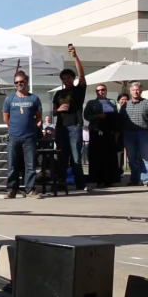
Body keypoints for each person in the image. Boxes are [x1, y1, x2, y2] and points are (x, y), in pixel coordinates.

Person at [52, 45, 89, 191]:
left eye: (68, 78)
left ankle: (81, 184)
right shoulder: (58, 94)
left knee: (76, 158)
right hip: (61, 127)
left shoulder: (78, 90)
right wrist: (58, 109)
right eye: (64, 78)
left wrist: (75, 56)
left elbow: (82, 76)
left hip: (74, 126)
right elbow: (54, 112)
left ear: (72, 78)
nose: (66, 80)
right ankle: (62, 183)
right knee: (62, 157)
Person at [1, 71, 43, 199]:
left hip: (29, 137)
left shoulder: (34, 98)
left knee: (30, 165)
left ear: (27, 82)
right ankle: (12, 190)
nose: (19, 84)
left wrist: (29, 127)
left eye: (22, 81)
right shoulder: (9, 99)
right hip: (13, 136)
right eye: (17, 82)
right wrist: (15, 128)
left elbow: (38, 117)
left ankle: (30, 190)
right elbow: (5, 118)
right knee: (12, 165)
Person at [83, 84, 122, 187]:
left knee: (109, 156)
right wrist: (96, 116)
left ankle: (110, 179)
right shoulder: (92, 103)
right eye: (98, 90)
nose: (101, 91)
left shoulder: (112, 102)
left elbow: (116, 115)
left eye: (103, 89)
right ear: (96, 92)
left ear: (106, 90)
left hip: (109, 132)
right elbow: (86, 115)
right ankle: (98, 179)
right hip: (97, 130)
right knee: (97, 156)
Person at [119, 82, 148, 186]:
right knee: (132, 158)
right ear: (130, 91)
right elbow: (121, 119)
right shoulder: (125, 105)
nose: (136, 91)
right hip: (129, 134)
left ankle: (146, 179)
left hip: (143, 133)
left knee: (145, 157)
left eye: (137, 89)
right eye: (133, 90)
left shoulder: (146, 103)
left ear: (140, 90)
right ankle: (134, 179)